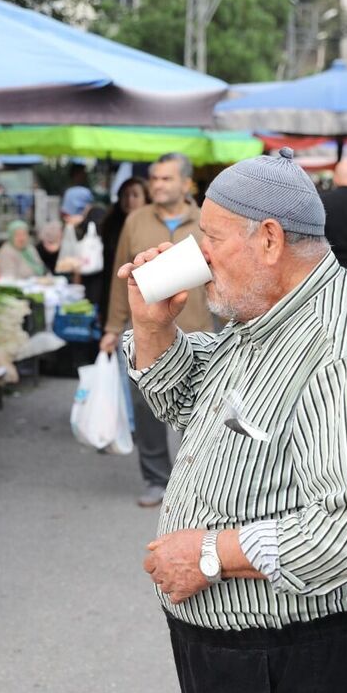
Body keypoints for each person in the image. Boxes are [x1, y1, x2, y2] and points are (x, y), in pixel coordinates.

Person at [121, 147, 347, 693]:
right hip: (257, 669)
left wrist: (206, 554)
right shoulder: (261, 316)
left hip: (313, 665)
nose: (197, 252)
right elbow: (182, 399)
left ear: (268, 239)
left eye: (209, 236)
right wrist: (154, 328)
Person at [101, 152, 213, 509]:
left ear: (185, 183)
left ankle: (195, 484)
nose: (158, 185)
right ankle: (155, 478)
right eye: (155, 179)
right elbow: (121, 281)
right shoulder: (135, 220)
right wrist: (112, 327)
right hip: (145, 334)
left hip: (197, 333)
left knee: (197, 414)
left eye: (166, 178)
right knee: (147, 408)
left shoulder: (206, 221)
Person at [95, 177, 151, 314]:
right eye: (125, 195)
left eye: (135, 195)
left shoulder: (150, 227)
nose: (130, 200)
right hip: (111, 285)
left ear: (146, 199)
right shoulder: (110, 224)